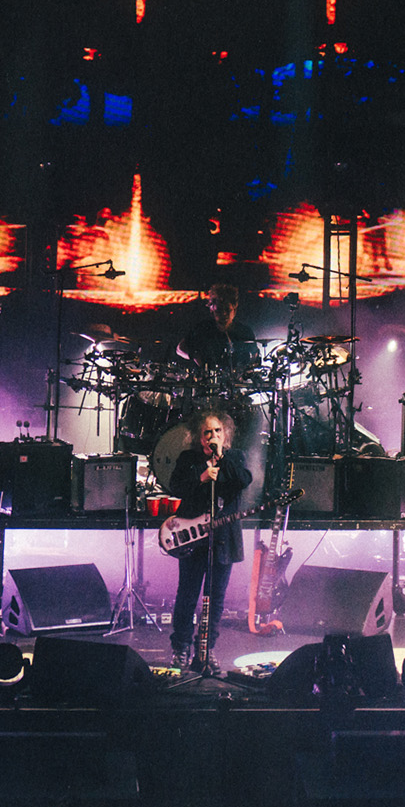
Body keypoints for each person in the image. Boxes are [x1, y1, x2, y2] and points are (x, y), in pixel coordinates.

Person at [167, 412, 253, 670]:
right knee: (188, 594)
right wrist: (201, 477)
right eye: (208, 432)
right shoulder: (189, 459)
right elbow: (175, 487)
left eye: (218, 431)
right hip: (194, 539)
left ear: (225, 435)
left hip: (223, 539)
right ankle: (181, 647)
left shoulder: (235, 457)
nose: (213, 436)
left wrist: (222, 458)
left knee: (216, 598)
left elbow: (243, 480)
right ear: (199, 437)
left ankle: (206, 649)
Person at [177, 284, 259, 372]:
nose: (223, 314)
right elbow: (180, 349)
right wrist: (195, 356)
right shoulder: (203, 328)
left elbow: (254, 356)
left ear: (234, 310)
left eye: (227, 310)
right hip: (208, 378)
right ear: (211, 310)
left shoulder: (244, 332)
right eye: (219, 310)